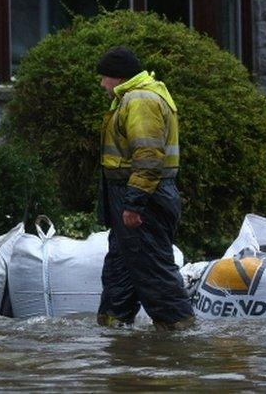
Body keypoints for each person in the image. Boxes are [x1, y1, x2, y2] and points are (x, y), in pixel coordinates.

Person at [95, 47, 194, 330]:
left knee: (152, 268)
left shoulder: (140, 100)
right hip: (134, 194)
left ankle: (179, 334)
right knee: (121, 267)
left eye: (105, 78)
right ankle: (113, 331)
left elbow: (148, 157)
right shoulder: (133, 97)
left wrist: (133, 204)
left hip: (145, 197)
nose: (102, 85)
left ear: (119, 77)